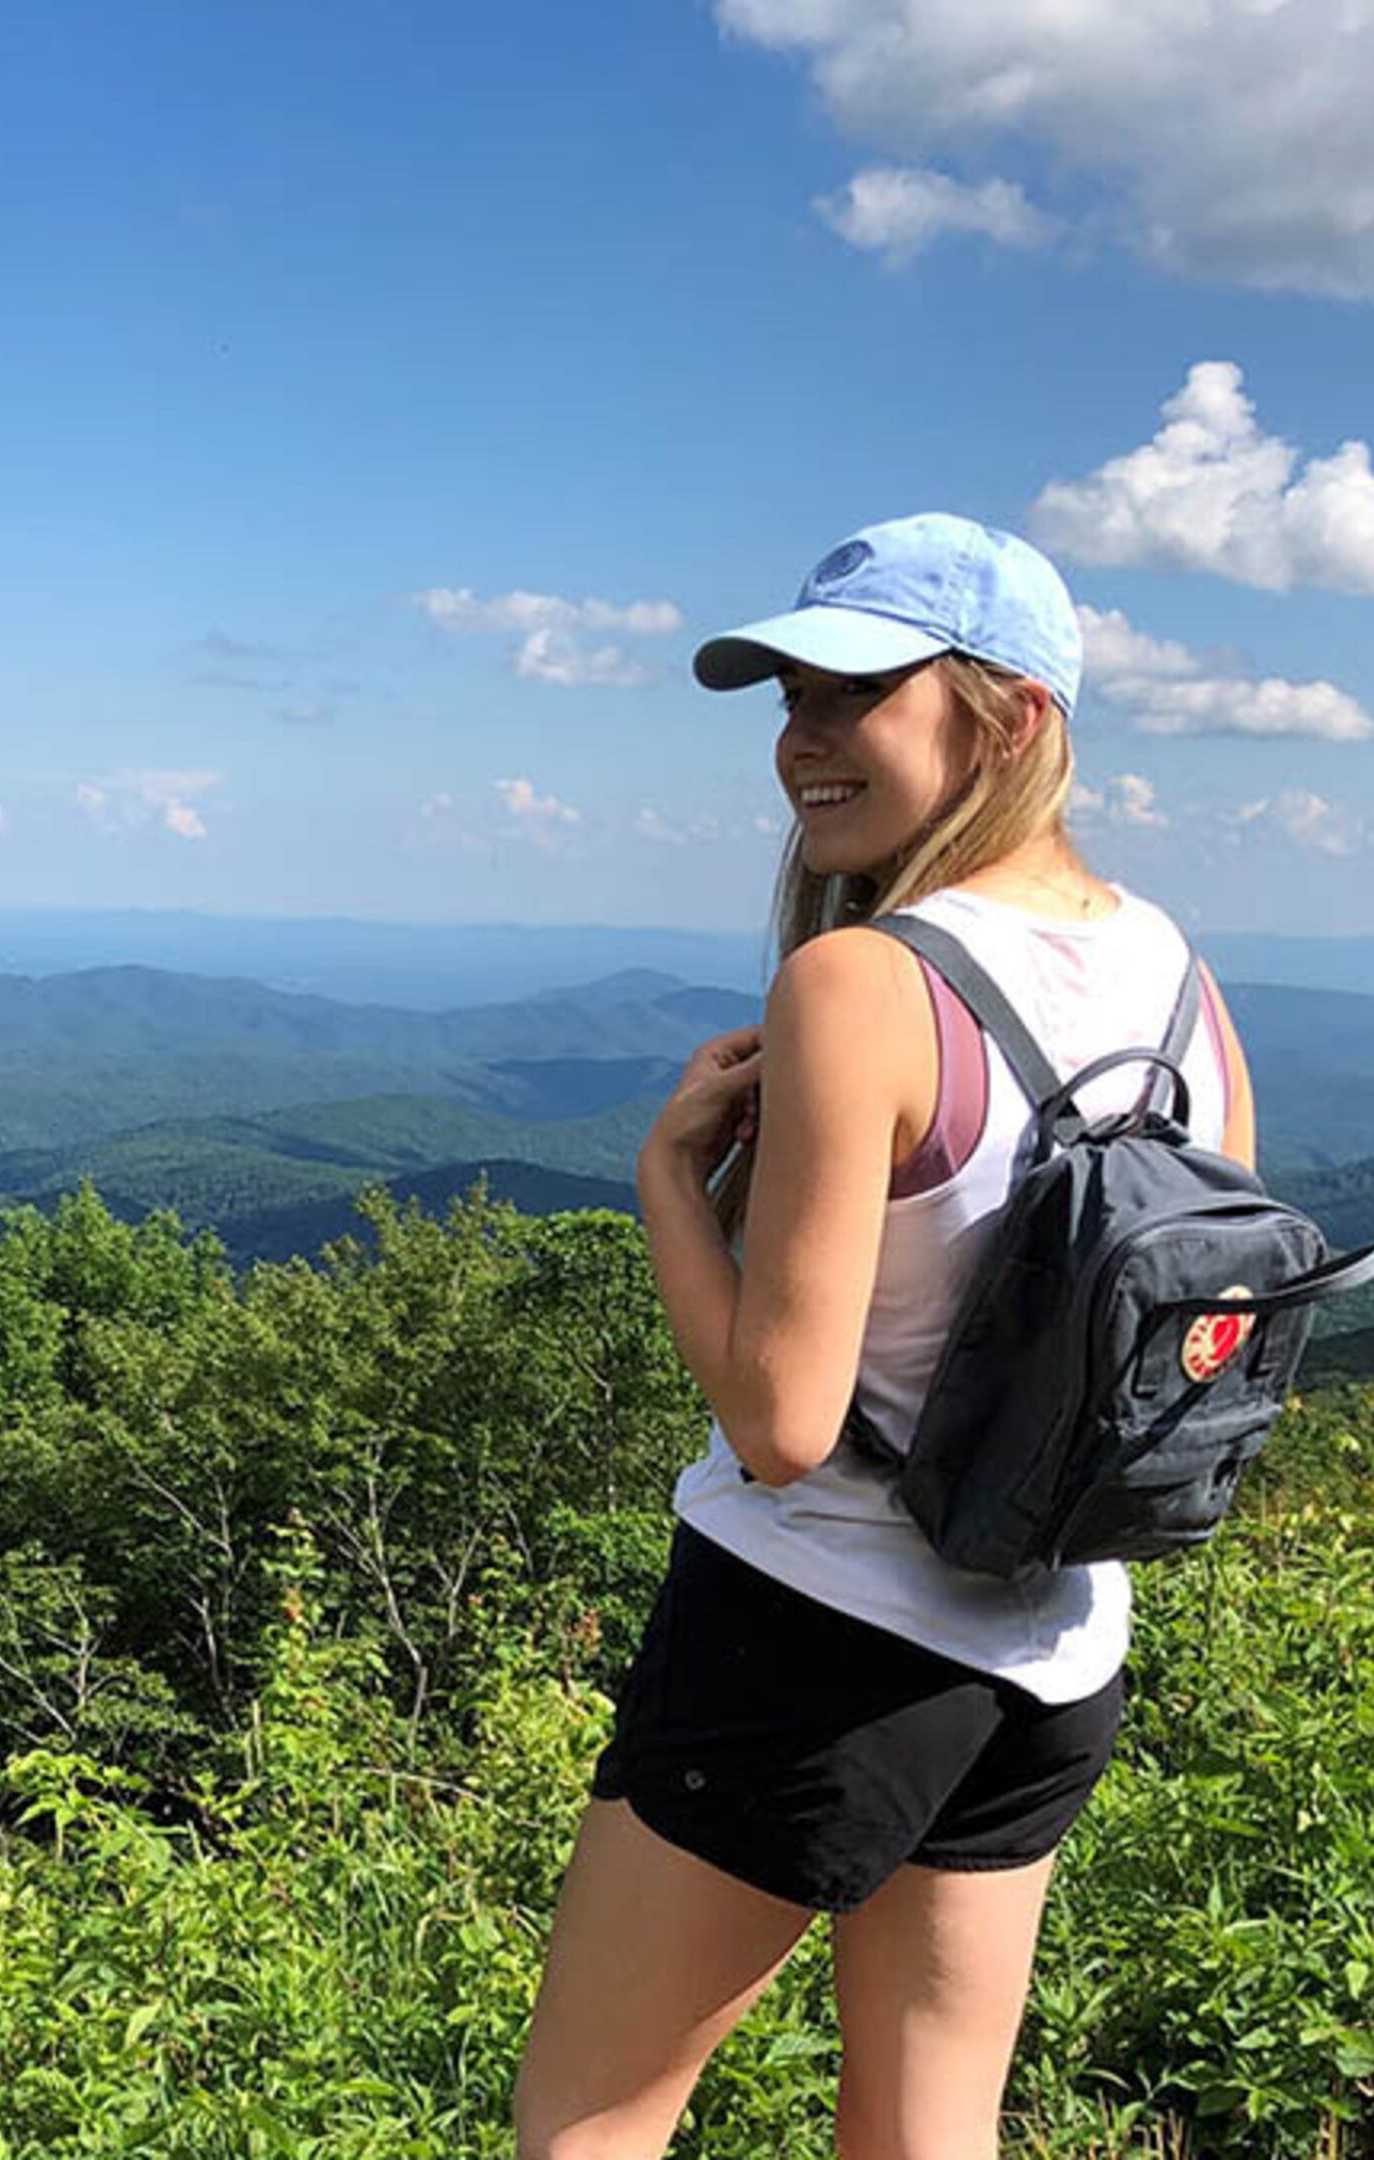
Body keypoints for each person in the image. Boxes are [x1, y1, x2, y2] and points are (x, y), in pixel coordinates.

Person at [509, 513, 1256, 2160]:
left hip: (813, 1633)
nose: (802, 739)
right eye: (788, 695)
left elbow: (785, 1423)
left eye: (857, 694)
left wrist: (665, 1184)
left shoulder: (861, 981)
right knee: (927, 2134)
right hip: (1057, 1654)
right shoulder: (1177, 977)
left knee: (589, 2123)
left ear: (1015, 718)